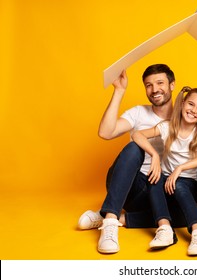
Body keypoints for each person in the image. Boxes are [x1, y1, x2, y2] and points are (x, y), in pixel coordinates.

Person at [77, 64, 187, 254]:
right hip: (129, 185)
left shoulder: (187, 115)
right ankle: (110, 221)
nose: (154, 90)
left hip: (158, 192)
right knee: (134, 148)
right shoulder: (138, 113)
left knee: (186, 215)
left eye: (160, 83)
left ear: (172, 85)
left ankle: (113, 216)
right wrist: (119, 91)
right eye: (148, 85)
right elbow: (105, 132)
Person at [132, 87, 197, 255]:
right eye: (191, 104)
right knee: (154, 178)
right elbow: (137, 134)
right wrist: (154, 155)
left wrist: (180, 168)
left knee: (179, 185)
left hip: (188, 186)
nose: (193, 110)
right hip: (166, 183)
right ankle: (165, 229)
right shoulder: (167, 127)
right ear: (183, 103)